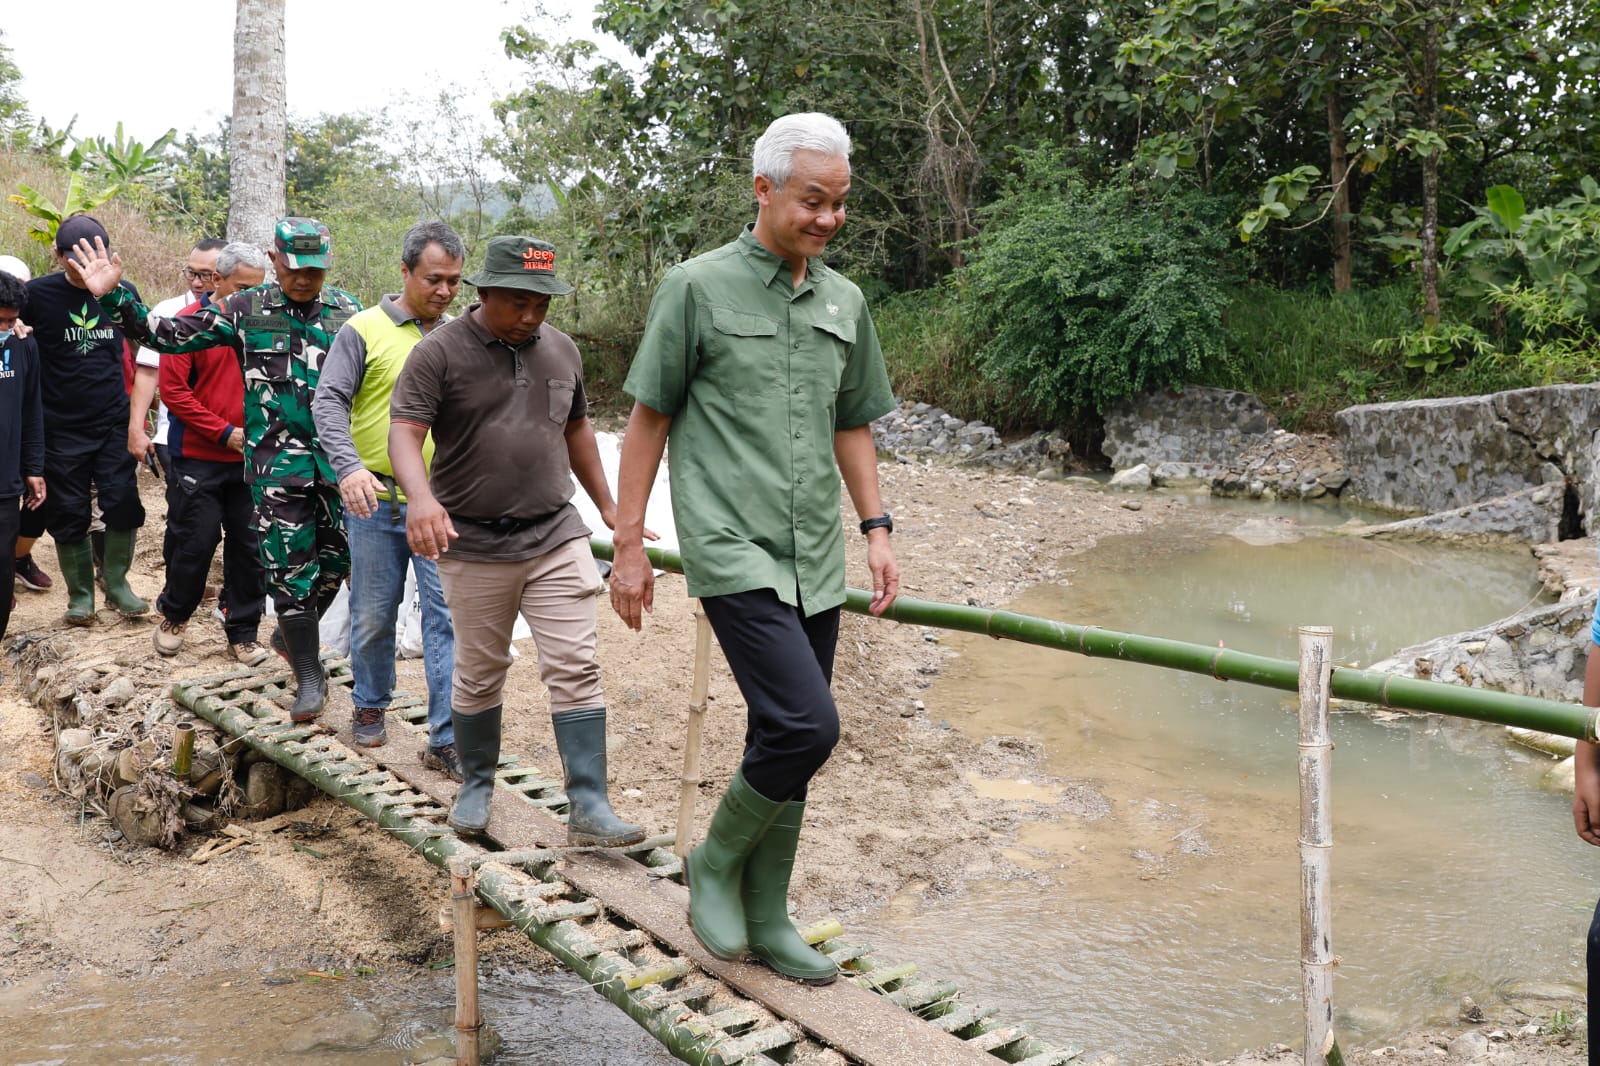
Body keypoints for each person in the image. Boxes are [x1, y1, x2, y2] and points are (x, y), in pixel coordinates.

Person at [609, 113, 899, 985]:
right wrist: (627, 542)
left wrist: (876, 531)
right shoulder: (695, 287)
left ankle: (768, 915)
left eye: (840, 205)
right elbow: (648, 418)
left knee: (785, 732)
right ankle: (710, 862)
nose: (827, 219)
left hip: (815, 554)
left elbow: (852, 425)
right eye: (814, 200)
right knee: (810, 723)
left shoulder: (843, 301)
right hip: (731, 543)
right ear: (765, 188)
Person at [388, 234, 644, 846]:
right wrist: (421, 498)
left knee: (576, 665)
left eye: (541, 305)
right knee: (479, 672)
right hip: (473, 542)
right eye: (516, 303)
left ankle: (589, 803)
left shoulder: (560, 350)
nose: (530, 317)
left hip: (555, 532)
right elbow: (404, 431)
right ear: (484, 293)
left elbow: (578, 429)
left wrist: (607, 505)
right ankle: (477, 782)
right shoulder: (439, 353)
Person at [72, 218, 362, 722]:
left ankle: (289, 636)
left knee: (337, 565)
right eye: (294, 269)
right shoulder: (245, 308)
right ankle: (308, 678)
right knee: (290, 571)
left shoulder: (347, 311)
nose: (304, 280)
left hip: (335, 465)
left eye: (315, 271)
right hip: (276, 467)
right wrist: (114, 296)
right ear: (275, 261)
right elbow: (164, 337)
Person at [313, 221, 463, 776]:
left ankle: (446, 736)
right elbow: (328, 402)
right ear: (404, 272)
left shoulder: (459, 336)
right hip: (375, 499)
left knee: (444, 619)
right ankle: (370, 704)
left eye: (453, 282)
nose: (444, 292)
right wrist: (348, 467)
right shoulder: (364, 330)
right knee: (374, 612)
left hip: (442, 503)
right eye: (433, 279)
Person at [150, 242, 271, 666]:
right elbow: (175, 393)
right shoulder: (186, 326)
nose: (253, 297)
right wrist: (224, 434)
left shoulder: (266, 325)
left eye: (259, 288)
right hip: (198, 456)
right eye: (244, 287)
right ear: (217, 282)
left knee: (252, 547)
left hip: (255, 460)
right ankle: (175, 614)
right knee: (194, 541)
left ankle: (242, 630)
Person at [26, 215, 150, 625]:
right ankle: (80, 597)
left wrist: (140, 419)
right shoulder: (35, 295)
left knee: (123, 503)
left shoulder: (121, 291)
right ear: (57, 255)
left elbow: (148, 341)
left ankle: (116, 584)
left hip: (112, 419)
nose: (84, 271)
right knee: (69, 510)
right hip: (59, 424)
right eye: (73, 261)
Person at [0, 268, 47, 658]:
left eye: (11, 320)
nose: (6, 326)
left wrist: (33, 467)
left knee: (1, 568)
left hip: (5, 481)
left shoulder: (21, 345)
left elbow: (32, 411)